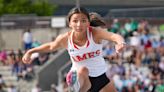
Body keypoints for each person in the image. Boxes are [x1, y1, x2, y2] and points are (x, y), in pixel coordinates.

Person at [22, 7, 125, 92]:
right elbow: (51, 46)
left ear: (88, 23)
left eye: (83, 21)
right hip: (78, 77)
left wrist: (120, 43)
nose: (79, 25)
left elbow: (114, 36)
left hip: (100, 77)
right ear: (70, 24)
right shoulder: (65, 39)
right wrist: (30, 51)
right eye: (75, 21)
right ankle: (74, 89)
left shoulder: (95, 33)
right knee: (83, 70)